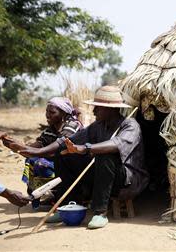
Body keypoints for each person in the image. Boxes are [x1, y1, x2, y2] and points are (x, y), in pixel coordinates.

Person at [19, 86, 149, 229]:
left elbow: (115, 144)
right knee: (63, 156)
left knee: (105, 155)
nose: (93, 111)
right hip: (102, 176)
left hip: (126, 181)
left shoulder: (130, 125)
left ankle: (100, 212)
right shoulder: (98, 126)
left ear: (110, 109)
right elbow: (69, 141)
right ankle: (67, 206)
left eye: (97, 108)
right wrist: (36, 152)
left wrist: (86, 148)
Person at [0, 97, 82, 208]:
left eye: (52, 112)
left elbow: (52, 151)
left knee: (40, 163)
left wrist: (24, 148)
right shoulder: (50, 130)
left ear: (63, 114)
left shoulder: (73, 126)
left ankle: (58, 194)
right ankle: (43, 194)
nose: (48, 115)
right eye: (47, 111)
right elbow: (31, 149)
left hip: (75, 169)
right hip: (59, 165)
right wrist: (7, 140)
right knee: (31, 160)